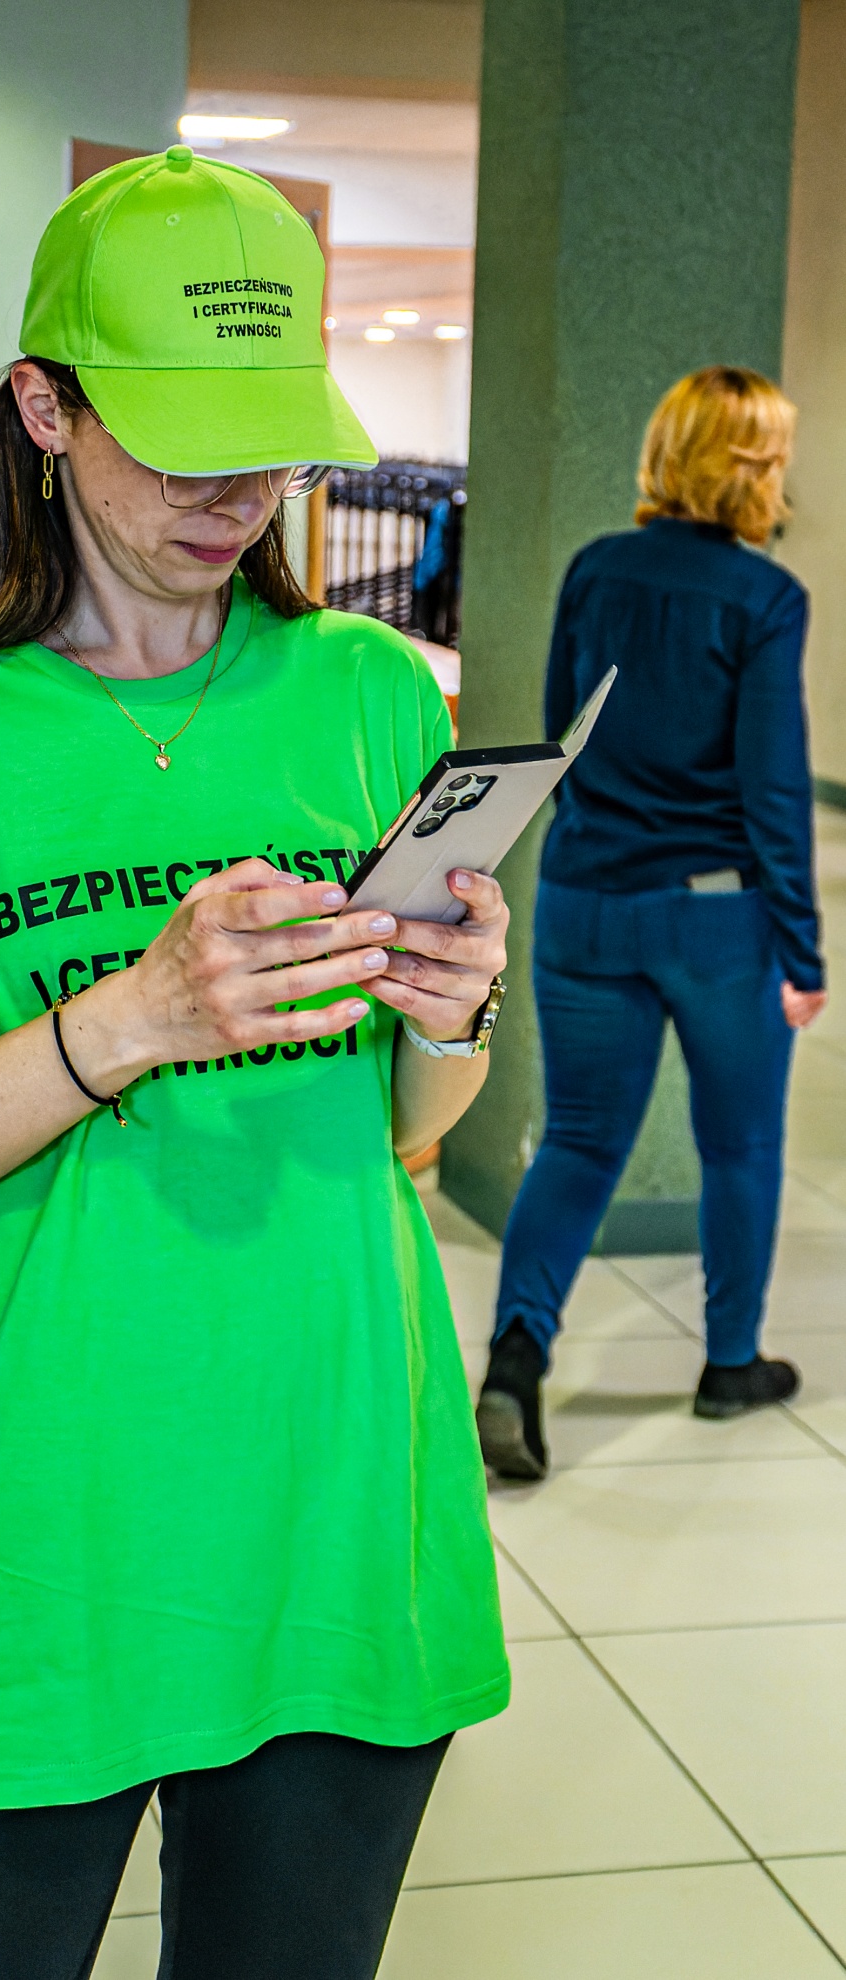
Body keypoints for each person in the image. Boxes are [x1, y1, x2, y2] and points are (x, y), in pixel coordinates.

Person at [0, 149, 511, 1977]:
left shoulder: (367, 691)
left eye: (270, 444)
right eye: (181, 442)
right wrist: (130, 1020)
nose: (235, 496)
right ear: (46, 409)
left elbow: (407, 1132)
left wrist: (451, 1008)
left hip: (333, 1502)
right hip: (31, 1532)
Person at [477, 365, 826, 1484]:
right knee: (739, 1145)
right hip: (716, 919)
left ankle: (514, 1361)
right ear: (752, 469)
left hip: (585, 901)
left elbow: (559, 733)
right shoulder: (765, 598)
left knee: (577, 1142)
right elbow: (774, 788)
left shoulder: (594, 569)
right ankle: (729, 1363)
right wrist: (803, 951)